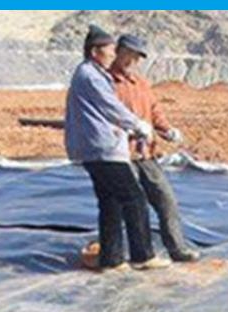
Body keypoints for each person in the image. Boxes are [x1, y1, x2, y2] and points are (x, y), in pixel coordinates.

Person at [64, 24, 170, 271]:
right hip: (103, 150)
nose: (113, 55)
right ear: (94, 52)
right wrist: (138, 125)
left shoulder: (95, 75)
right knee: (134, 198)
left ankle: (112, 259)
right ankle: (143, 255)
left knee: (110, 202)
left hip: (99, 148)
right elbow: (111, 107)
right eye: (110, 50)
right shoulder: (90, 76)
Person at [110, 34, 200, 263]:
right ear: (118, 52)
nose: (132, 61)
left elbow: (154, 110)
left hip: (145, 154)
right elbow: (105, 115)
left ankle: (177, 248)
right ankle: (137, 254)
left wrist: (167, 130)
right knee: (133, 205)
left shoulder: (140, 84)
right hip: (121, 155)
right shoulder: (107, 82)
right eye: (129, 55)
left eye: (137, 57)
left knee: (165, 199)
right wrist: (128, 129)